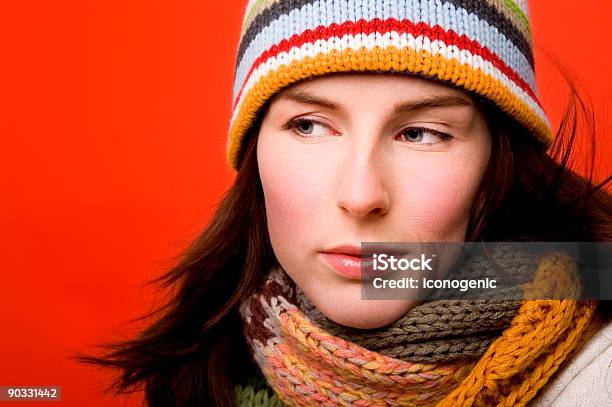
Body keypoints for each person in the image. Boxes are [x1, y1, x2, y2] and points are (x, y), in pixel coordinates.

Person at [83, 1, 612, 406]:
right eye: (310, 125)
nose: (360, 197)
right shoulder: (202, 371)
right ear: (254, 155)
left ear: (498, 161)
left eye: (421, 134)